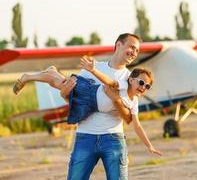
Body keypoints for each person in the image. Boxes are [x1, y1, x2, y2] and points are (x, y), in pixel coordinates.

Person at [13, 55, 162, 155]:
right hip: (89, 92)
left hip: (90, 106)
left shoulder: (133, 102)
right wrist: (94, 70)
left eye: (147, 86)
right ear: (131, 80)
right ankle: (29, 77)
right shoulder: (123, 85)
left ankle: (52, 72)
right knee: (59, 83)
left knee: (59, 82)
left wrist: (149, 145)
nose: (143, 87)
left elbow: (136, 125)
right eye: (141, 83)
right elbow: (109, 82)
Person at [58, 33, 156, 180]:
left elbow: (129, 119)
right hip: (85, 136)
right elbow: (75, 100)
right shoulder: (90, 69)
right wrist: (64, 94)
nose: (134, 53)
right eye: (131, 47)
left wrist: (116, 100)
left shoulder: (132, 80)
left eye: (137, 50)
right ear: (118, 45)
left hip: (113, 139)